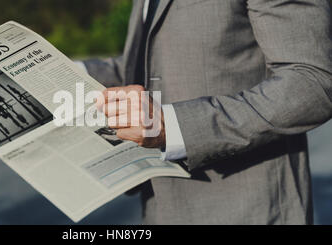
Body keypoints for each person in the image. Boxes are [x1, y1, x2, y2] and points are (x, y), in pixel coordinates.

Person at [81, 0, 332, 224]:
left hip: (248, 210)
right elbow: (148, 68)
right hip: (161, 206)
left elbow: (310, 82)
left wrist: (173, 126)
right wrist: (67, 71)